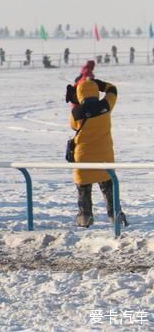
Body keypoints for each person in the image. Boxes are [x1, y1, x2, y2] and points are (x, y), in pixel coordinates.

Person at [66, 76, 127, 228]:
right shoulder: (106, 105)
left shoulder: (76, 112)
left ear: (79, 93)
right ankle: (115, 216)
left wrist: (76, 102)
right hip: (104, 156)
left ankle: (84, 217)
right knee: (108, 187)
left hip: (83, 157)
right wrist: (100, 84)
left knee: (84, 190)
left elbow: (74, 127)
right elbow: (113, 89)